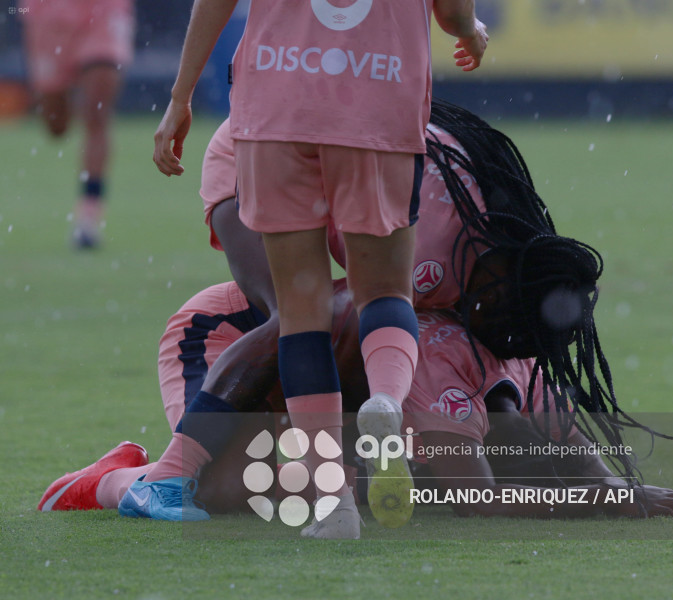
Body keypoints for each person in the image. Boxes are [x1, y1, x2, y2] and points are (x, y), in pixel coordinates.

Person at [150, 0, 488, 538]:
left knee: (300, 314)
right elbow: (450, 13)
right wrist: (470, 31)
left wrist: (180, 96)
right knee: (385, 294)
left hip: (277, 103)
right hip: (378, 98)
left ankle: (335, 505)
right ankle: (385, 401)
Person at [37, 277, 673, 521]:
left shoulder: (523, 362)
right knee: (222, 492)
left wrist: (618, 489)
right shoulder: (447, 358)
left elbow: (572, 452)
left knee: (344, 483)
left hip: (319, 365)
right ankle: (108, 480)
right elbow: (478, 497)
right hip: (228, 333)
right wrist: (608, 502)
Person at [20, 0, 135, 249]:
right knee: (56, 126)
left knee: (97, 114)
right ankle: (67, 82)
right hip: (47, 13)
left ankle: (88, 219)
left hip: (103, 11)